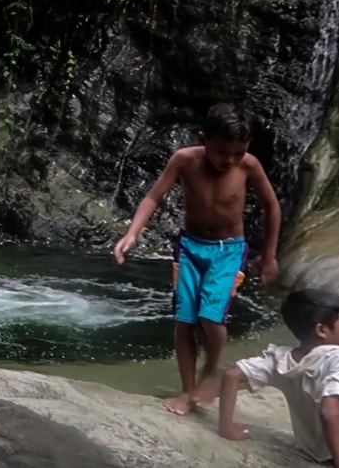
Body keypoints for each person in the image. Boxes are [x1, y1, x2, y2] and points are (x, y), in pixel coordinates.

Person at [112, 103, 281, 415]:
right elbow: (153, 196)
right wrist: (132, 233)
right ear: (203, 139)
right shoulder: (184, 160)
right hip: (190, 247)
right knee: (185, 321)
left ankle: (210, 371)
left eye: (238, 153)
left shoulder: (249, 166)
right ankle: (187, 392)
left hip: (229, 250)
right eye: (221, 152)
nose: (230, 160)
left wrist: (268, 255)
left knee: (211, 317)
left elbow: (272, 207)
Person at [217, 288, 339, 463]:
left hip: (311, 448)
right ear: (322, 330)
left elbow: (231, 375)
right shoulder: (336, 357)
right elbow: (329, 412)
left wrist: (226, 427)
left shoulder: (282, 359)